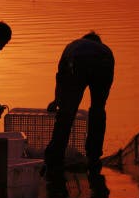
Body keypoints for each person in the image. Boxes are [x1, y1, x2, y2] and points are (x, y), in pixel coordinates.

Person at [44, 32, 114, 182]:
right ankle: (94, 155)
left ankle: (55, 157)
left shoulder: (73, 46)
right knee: (98, 109)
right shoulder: (105, 50)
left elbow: (61, 78)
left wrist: (57, 100)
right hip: (105, 62)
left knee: (67, 112)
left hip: (78, 61)